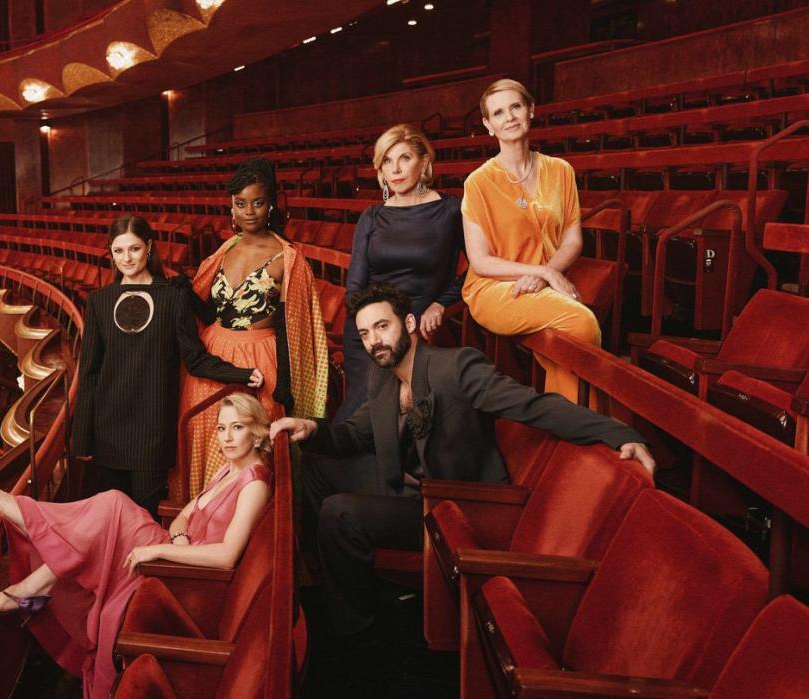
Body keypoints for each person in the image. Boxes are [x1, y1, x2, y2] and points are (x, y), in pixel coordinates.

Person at [271, 281, 654, 639]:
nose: (375, 342)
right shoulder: (382, 375)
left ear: (408, 323)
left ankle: (353, 628)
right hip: (406, 487)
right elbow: (355, 434)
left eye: (382, 327)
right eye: (366, 334)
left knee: (340, 512)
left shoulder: (456, 367)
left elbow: (533, 406)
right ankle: (346, 582)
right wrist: (312, 428)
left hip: (452, 503)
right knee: (317, 470)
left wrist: (620, 432)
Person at [0, 393, 274, 698]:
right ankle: (11, 545)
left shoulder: (255, 485)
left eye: (237, 427)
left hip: (187, 580)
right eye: (221, 428)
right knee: (104, 514)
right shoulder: (229, 470)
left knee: (108, 511)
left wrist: (159, 550)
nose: (227, 437)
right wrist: (178, 537)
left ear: (256, 432)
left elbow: (227, 556)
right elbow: (184, 516)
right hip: (176, 553)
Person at [72, 216, 263, 516]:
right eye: (119, 251)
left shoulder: (173, 297)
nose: (127, 258)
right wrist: (82, 439)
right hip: (107, 430)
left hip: (152, 430)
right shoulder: (98, 301)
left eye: (134, 249)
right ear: (110, 253)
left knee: (144, 519)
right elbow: (89, 371)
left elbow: (195, 358)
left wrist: (241, 374)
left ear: (149, 247)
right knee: (111, 520)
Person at [175, 158, 329, 500]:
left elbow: (295, 329)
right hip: (211, 361)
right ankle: (206, 526)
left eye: (257, 203)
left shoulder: (288, 258)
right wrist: (184, 290)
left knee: (255, 453)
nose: (249, 212)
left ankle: (256, 538)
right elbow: (211, 311)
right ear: (231, 206)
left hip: (261, 361)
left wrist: (285, 386)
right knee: (209, 442)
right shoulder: (224, 250)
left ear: (270, 203)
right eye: (240, 204)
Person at [461, 77, 598, 400]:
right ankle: (586, 424)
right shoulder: (478, 183)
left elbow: (572, 240)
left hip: (540, 285)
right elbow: (480, 261)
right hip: (493, 288)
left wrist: (545, 273)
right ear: (488, 125)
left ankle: (573, 428)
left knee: (562, 346)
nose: (508, 117)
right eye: (498, 113)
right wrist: (544, 273)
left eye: (515, 107)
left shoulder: (560, 170)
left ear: (531, 110)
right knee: (582, 322)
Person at [338, 123, 465, 421]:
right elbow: (354, 288)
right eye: (387, 161)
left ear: (424, 163)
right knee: (365, 408)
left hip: (414, 327)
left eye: (405, 158)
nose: (395, 169)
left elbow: (479, 269)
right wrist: (371, 327)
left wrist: (441, 302)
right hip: (368, 330)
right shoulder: (372, 216)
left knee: (377, 412)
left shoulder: (450, 211)